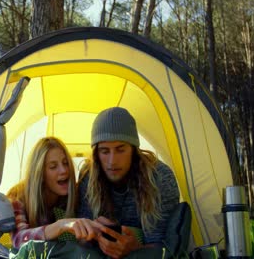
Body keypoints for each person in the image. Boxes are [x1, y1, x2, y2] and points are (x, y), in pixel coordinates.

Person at [77, 107, 180, 258]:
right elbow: (82, 243)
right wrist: (94, 233)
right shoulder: (88, 177)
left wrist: (136, 249)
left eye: (120, 150)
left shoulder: (159, 177)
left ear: (133, 149)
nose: (112, 161)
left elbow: (162, 248)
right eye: (105, 151)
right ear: (96, 153)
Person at [7, 136, 101, 249]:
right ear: (40, 174)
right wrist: (61, 226)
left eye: (66, 163)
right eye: (53, 166)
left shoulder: (74, 194)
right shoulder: (18, 197)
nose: (64, 170)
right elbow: (19, 239)